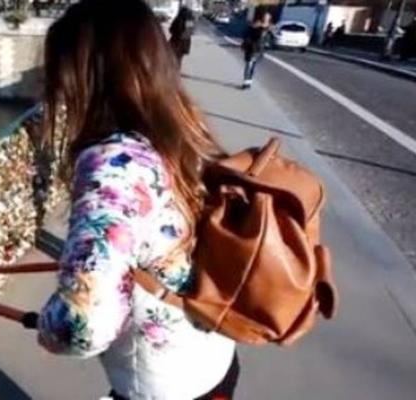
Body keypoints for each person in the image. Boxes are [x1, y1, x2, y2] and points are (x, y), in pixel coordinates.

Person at [36, 0, 238, 399]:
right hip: (213, 360)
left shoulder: (115, 165)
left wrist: (50, 327)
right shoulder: (185, 132)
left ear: (87, 78)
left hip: (160, 385)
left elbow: (83, 324)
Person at [241, 11, 272, 89]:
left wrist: (267, 42)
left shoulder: (269, 28)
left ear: (269, 19)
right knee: (249, 65)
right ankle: (245, 83)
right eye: (265, 17)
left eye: (267, 18)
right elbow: (247, 34)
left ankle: (249, 82)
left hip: (259, 50)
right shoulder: (256, 25)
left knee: (253, 66)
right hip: (252, 49)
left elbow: (268, 39)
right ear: (262, 18)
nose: (266, 19)